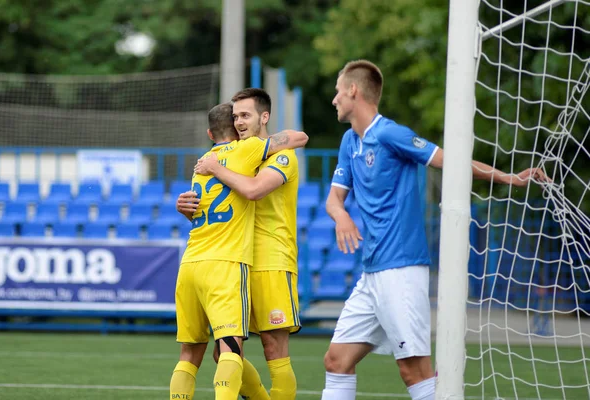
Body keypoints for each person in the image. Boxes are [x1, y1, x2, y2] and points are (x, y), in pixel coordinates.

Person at [321, 60, 550, 400]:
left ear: (353, 90)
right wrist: (341, 216)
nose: (335, 99)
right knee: (336, 360)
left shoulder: (390, 134)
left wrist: (507, 177)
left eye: (339, 91)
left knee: (414, 370)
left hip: (400, 270)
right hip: (371, 273)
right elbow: (333, 200)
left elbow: (452, 160)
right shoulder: (349, 142)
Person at [169, 102, 308, 400]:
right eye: (236, 117)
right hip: (234, 262)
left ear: (264, 117)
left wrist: (216, 168)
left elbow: (256, 189)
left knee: (272, 347)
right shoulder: (242, 154)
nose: (240, 122)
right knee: (225, 352)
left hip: (270, 258)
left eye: (245, 115)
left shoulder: (273, 156)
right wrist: (186, 208)